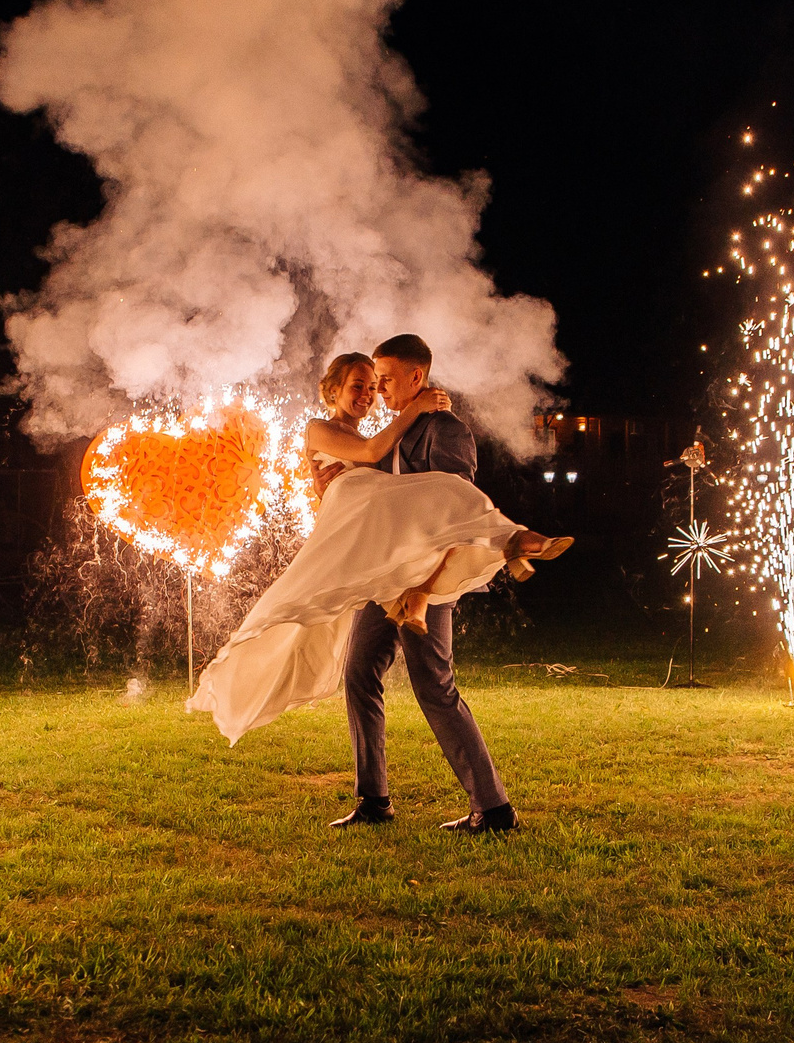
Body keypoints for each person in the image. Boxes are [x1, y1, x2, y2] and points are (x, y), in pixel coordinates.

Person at [185, 334, 568, 833]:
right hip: (381, 578)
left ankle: (494, 809)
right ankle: (374, 800)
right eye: (366, 384)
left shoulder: (444, 430)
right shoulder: (381, 432)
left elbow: (449, 517)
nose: (376, 392)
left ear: (416, 378)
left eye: (383, 381)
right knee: (359, 673)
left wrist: (425, 590)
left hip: (423, 586)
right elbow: (367, 484)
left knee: (435, 686)